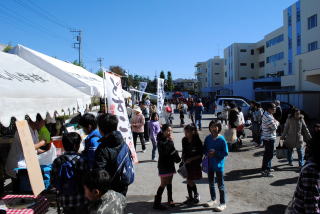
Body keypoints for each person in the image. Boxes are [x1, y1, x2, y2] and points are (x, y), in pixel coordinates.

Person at [50, 132, 87, 214]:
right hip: (81, 199)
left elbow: (53, 182)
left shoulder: (57, 161)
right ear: (76, 145)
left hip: (65, 200)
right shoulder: (82, 160)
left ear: (63, 145)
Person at [288, 126, 320, 213]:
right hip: (292, 139)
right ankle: (291, 161)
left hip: (299, 140)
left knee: (300, 154)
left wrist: (308, 138)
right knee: (292, 152)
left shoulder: (301, 120)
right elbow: (311, 207)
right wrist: (283, 137)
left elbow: (305, 129)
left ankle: (300, 164)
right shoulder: (312, 171)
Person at [94, 114, 128, 196]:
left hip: (110, 188)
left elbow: (100, 172)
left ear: (101, 130)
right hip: (123, 182)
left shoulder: (103, 149)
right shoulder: (122, 141)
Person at [153, 124, 181, 210]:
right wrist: (170, 142)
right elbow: (164, 152)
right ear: (163, 131)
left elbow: (172, 151)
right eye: (168, 130)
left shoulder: (168, 140)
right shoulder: (160, 141)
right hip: (163, 165)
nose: (169, 132)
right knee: (163, 183)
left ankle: (170, 200)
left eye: (171, 131)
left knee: (169, 182)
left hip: (170, 164)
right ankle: (156, 203)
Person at [203, 120, 228, 212]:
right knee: (211, 183)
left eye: (216, 126)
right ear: (209, 127)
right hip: (210, 165)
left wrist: (216, 153)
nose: (214, 128)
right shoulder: (207, 138)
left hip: (218, 166)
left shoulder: (222, 139)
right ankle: (213, 199)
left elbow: (225, 153)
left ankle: (223, 203)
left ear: (219, 128)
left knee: (220, 185)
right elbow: (204, 149)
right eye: (212, 126)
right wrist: (207, 153)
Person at [182, 125, 203, 205]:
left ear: (193, 132)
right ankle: (191, 197)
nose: (186, 133)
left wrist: (191, 159)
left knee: (189, 180)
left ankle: (196, 195)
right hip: (186, 163)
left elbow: (200, 154)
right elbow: (184, 151)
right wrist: (183, 160)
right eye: (185, 131)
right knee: (188, 180)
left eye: (187, 132)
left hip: (195, 163)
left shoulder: (197, 141)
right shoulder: (184, 140)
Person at [261, 102, 279, 177]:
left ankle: (267, 168)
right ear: (269, 109)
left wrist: (276, 122)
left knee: (267, 154)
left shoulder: (269, 115)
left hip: (268, 137)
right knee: (269, 155)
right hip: (268, 138)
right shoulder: (268, 116)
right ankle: (265, 171)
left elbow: (275, 123)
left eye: (275, 108)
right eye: (273, 108)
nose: (275, 109)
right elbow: (274, 127)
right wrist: (277, 123)